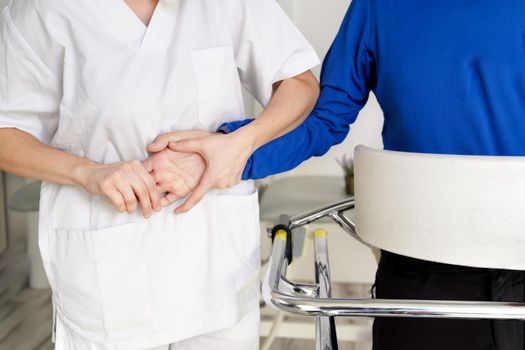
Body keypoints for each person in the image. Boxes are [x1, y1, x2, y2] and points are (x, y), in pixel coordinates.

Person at [153, 0, 525, 349]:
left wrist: (223, 155)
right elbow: (324, 116)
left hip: (436, 277)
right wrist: (224, 154)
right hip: (423, 278)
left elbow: (324, 118)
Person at [0, 0, 320, 348]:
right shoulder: (41, 10)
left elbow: (299, 84)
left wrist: (236, 144)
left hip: (215, 265)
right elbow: (6, 133)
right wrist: (88, 173)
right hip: (107, 276)